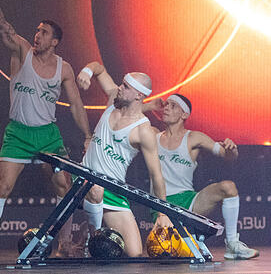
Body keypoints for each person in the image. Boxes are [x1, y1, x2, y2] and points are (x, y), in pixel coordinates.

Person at [0, 0, 92, 261]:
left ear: (55, 41)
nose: (37, 35)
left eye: (44, 32)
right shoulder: (22, 50)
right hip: (19, 133)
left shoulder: (64, 69)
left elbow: (76, 105)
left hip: (48, 135)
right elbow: (1, 24)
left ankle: (64, 245)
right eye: (37, 30)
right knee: (3, 186)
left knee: (64, 186)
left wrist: (87, 135)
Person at [145, 93, 258, 259]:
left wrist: (231, 150)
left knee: (228, 187)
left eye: (173, 105)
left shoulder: (193, 137)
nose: (166, 108)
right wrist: (148, 106)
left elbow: (226, 155)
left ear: (184, 114)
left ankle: (232, 244)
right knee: (173, 255)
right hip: (161, 204)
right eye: (166, 104)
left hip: (188, 202)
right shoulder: (152, 135)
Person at [76, 62, 171, 257]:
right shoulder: (113, 99)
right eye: (122, 83)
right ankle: (92, 239)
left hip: (113, 190)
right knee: (96, 189)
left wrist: (162, 213)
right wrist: (87, 72)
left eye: (126, 86)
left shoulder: (143, 130)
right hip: (85, 179)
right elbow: (99, 69)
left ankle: (91, 228)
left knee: (134, 252)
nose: (120, 87)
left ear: (139, 95)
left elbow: (156, 175)